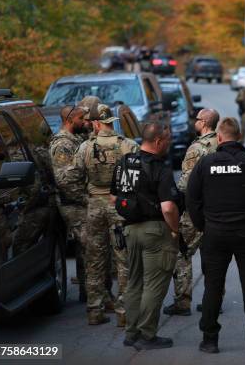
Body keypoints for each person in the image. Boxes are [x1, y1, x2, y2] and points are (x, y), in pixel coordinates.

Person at [186, 117, 245, 354]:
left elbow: (191, 199)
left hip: (215, 233)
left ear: (219, 137)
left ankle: (209, 340)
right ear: (239, 137)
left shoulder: (205, 164)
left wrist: (202, 226)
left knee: (213, 286)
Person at [66, 103, 139, 326]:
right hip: (120, 206)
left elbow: (72, 176)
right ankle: (124, 313)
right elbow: (138, 180)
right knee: (123, 260)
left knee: (94, 260)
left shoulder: (85, 147)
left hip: (94, 206)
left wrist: (84, 195)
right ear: (111, 122)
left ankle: (94, 311)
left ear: (96, 124)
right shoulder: (128, 146)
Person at [111, 122, 181, 350]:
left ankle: (131, 333)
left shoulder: (124, 162)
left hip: (130, 230)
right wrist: (175, 230)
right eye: (168, 140)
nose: (169, 144)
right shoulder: (160, 168)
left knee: (134, 283)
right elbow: (168, 207)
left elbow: (114, 197)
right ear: (159, 141)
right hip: (155, 231)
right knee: (154, 285)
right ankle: (147, 335)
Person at [163, 108, 219, 316]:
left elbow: (186, 183)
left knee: (182, 254)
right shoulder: (221, 144)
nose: (193, 122)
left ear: (204, 123)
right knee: (212, 257)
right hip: (217, 211)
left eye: (196, 119)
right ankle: (214, 300)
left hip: (196, 211)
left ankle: (182, 301)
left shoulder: (196, 148)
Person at [49, 105, 88, 302]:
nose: (85, 122)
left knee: (85, 248)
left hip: (79, 201)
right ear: (70, 120)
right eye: (82, 118)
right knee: (90, 246)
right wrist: (85, 199)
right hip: (72, 203)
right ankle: (93, 293)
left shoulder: (76, 140)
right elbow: (63, 180)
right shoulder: (63, 145)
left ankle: (88, 291)